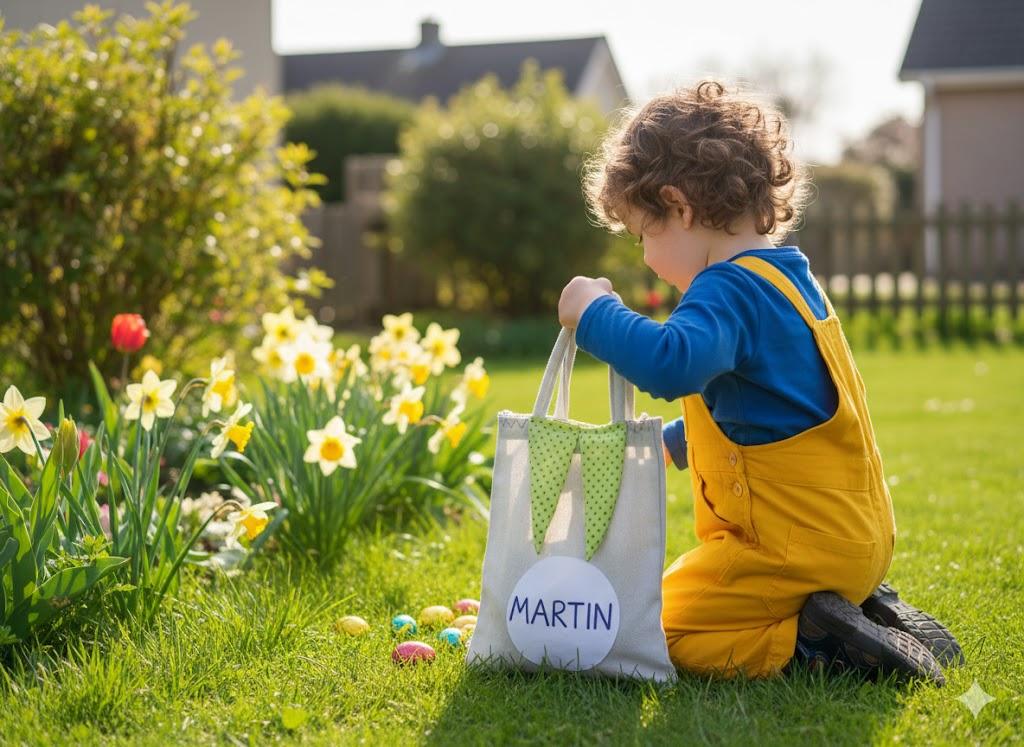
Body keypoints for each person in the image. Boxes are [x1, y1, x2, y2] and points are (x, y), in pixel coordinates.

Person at [557, 80, 963, 684]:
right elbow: (763, 408)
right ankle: (861, 613)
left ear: (681, 207)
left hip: (789, 552)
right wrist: (676, 441)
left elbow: (671, 362)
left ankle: (815, 643)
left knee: (644, 625)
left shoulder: (727, 288)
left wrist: (592, 313)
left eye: (644, 233)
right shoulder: (789, 279)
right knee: (660, 610)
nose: (644, 256)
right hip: (856, 541)